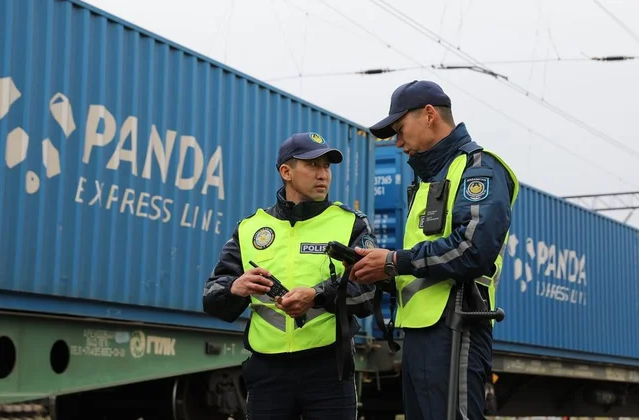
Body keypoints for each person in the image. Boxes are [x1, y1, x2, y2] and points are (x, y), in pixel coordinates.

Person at [349, 80, 519, 420]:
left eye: (400, 129)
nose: (398, 143)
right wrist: (380, 270)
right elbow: (421, 263)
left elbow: (473, 249)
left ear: (429, 115)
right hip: (423, 333)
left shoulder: (477, 169)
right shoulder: (427, 181)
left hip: (457, 326)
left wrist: (395, 261)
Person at [202, 132, 377, 420]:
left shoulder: (351, 224)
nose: (323, 175)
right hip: (267, 375)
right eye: (313, 165)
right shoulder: (250, 228)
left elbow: (370, 291)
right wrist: (236, 288)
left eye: (327, 166)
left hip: (328, 372)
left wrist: (318, 295)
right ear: (286, 172)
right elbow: (212, 298)